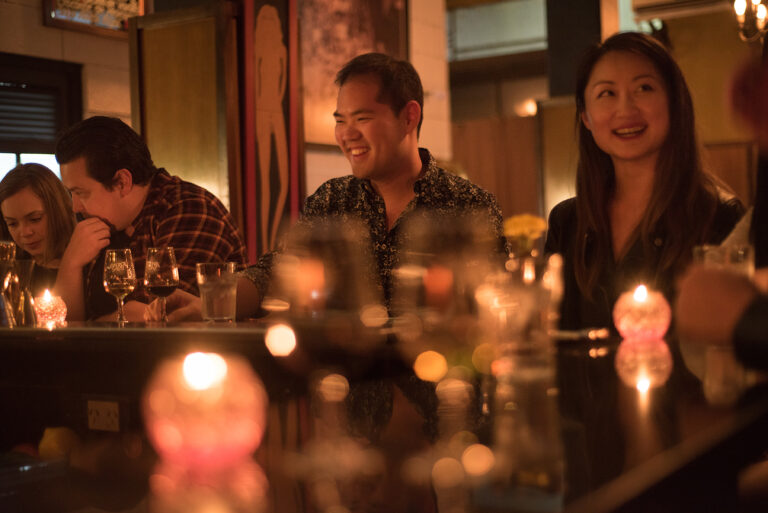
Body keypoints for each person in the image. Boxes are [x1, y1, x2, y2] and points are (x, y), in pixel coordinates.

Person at [155, 52, 506, 321]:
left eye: (362, 119)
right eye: (340, 121)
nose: (347, 134)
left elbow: (490, 308)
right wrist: (210, 303)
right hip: (343, 386)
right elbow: (275, 273)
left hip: (435, 391)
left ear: (409, 116)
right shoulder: (332, 199)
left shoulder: (468, 205)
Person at [545, 32, 744, 333]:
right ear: (585, 116)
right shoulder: (568, 222)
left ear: (675, 103)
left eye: (644, 88)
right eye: (606, 93)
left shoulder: (718, 216)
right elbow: (552, 337)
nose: (626, 110)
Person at [54, 116, 247, 322]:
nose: (75, 206)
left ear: (122, 182)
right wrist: (71, 264)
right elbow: (59, 321)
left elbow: (164, 314)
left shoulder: (188, 208)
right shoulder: (105, 224)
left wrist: (93, 324)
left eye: (81, 193)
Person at [0, 163, 75, 295]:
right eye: (12, 224)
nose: (25, 233)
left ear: (58, 210)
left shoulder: (89, 262)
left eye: (35, 219)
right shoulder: (9, 272)